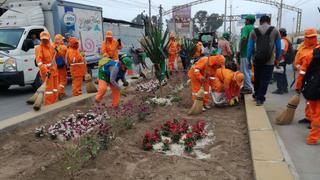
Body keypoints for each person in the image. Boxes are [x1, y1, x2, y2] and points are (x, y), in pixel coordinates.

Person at [247, 15, 282, 106]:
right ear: (269, 21)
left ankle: (256, 94)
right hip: (269, 61)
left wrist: (248, 59)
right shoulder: (275, 30)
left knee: (257, 78)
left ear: (260, 22)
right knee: (265, 79)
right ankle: (260, 98)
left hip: (257, 60)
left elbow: (250, 48)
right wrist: (277, 59)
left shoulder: (254, 31)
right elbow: (278, 47)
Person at [295, 29, 320, 145]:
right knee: (314, 110)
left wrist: (299, 86)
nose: (310, 39)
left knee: (317, 114)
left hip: (313, 87)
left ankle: (313, 137)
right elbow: (299, 67)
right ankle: (310, 119)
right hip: (312, 87)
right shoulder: (304, 50)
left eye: (312, 37)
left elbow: (302, 73)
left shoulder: (311, 54)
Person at [35, 31, 58, 105]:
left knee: (55, 89)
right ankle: (48, 105)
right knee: (49, 90)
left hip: (54, 71)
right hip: (47, 72)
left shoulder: (51, 47)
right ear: (41, 39)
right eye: (43, 39)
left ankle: (55, 103)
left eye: (46, 39)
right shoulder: (39, 48)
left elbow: (57, 55)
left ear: (48, 39)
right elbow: (39, 62)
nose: (45, 41)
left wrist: (57, 50)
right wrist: (45, 70)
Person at [239, 15, 256, 94]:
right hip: (252, 53)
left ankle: (248, 88)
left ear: (248, 21)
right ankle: (247, 86)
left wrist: (240, 49)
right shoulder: (254, 28)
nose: (245, 21)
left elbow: (244, 38)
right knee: (248, 70)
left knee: (244, 70)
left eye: (246, 20)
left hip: (245, 53)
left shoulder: (246, 28)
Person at [273, 28, 289, 94]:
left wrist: (277, 61)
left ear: (281, 33)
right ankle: (285, 88)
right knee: (283, 74)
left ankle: (280, 89)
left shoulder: (282, 41)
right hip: (283, 60)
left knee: (279, 75)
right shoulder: (286, 40)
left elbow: (281, 51)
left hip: (280, 60)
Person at [52, 34, 68, 98]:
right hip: (61, 66)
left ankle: (61, 93)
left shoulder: (52, 46)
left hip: (54, 66)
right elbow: (66, 56)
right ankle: (59, 92)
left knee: (58, 81)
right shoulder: (63, 47)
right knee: (63, 80)